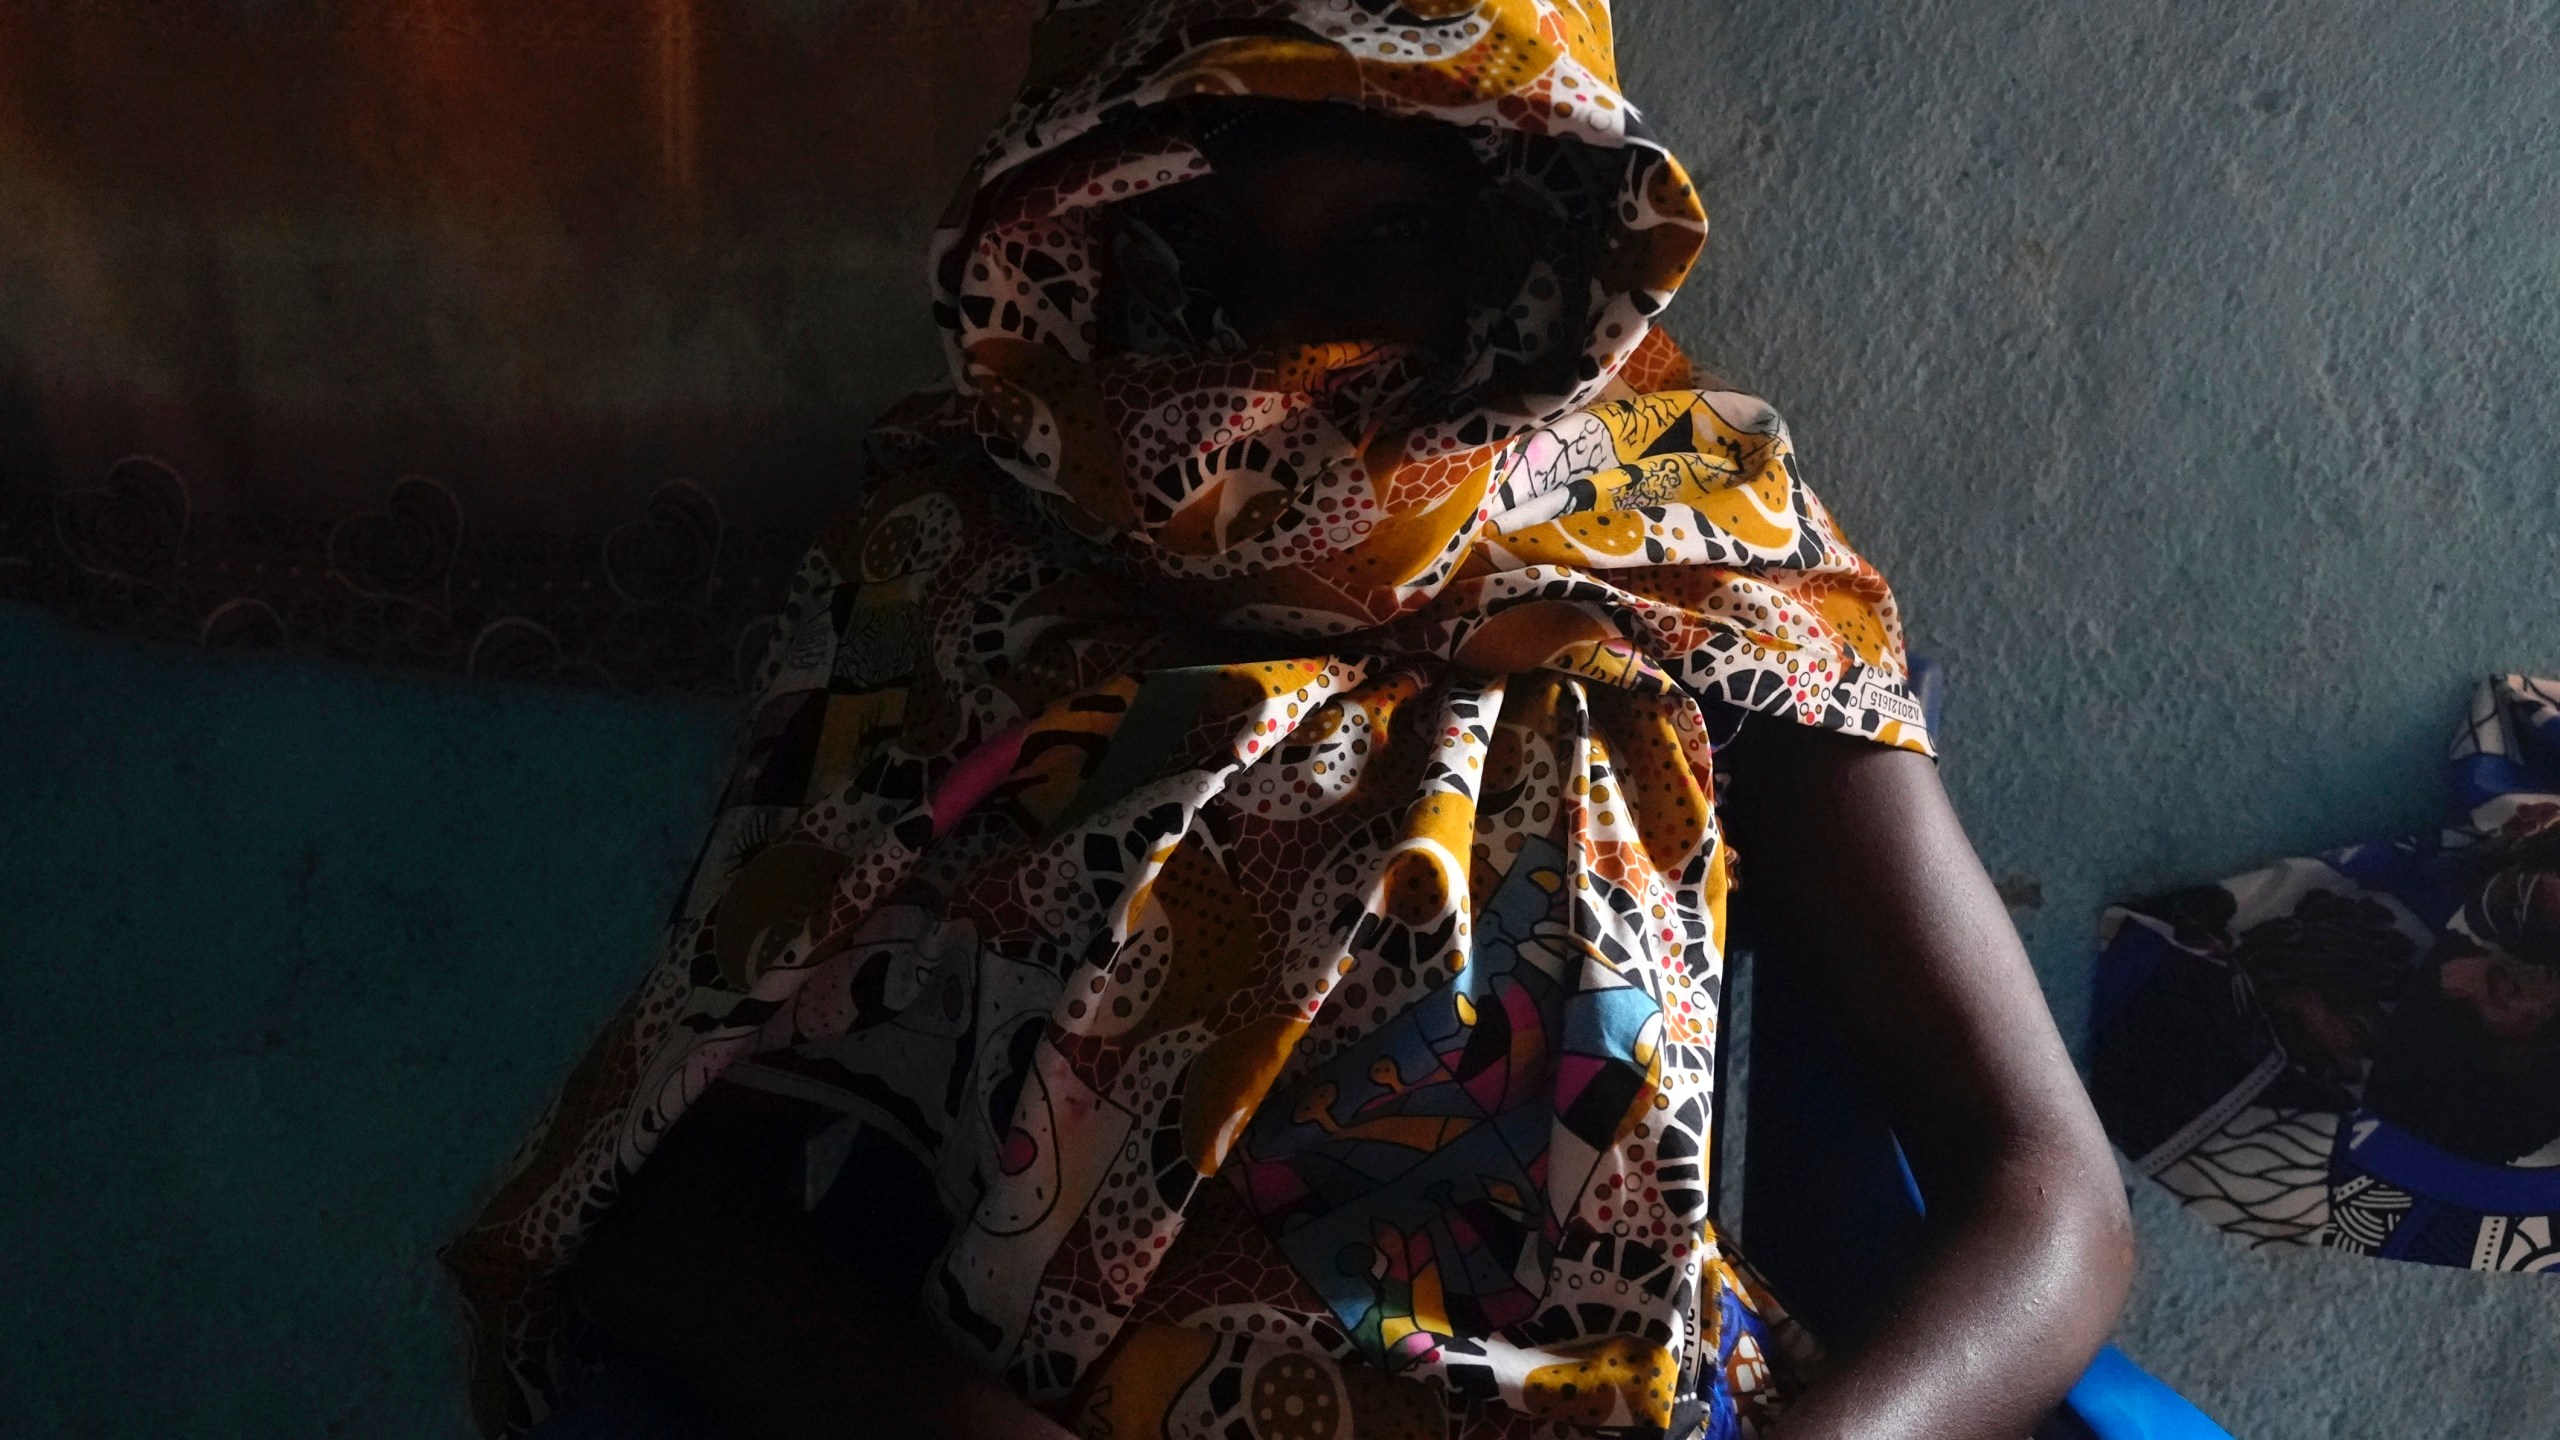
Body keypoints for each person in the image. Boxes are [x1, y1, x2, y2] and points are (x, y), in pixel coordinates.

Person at [445, 4, 2131, 1438]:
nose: (1281, 348)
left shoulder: (1699, 555)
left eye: (1383, 244)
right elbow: (662, 1213)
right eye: (1211, 250)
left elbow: (2046, 1200)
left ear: (1535, 224)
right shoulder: (954, 573)